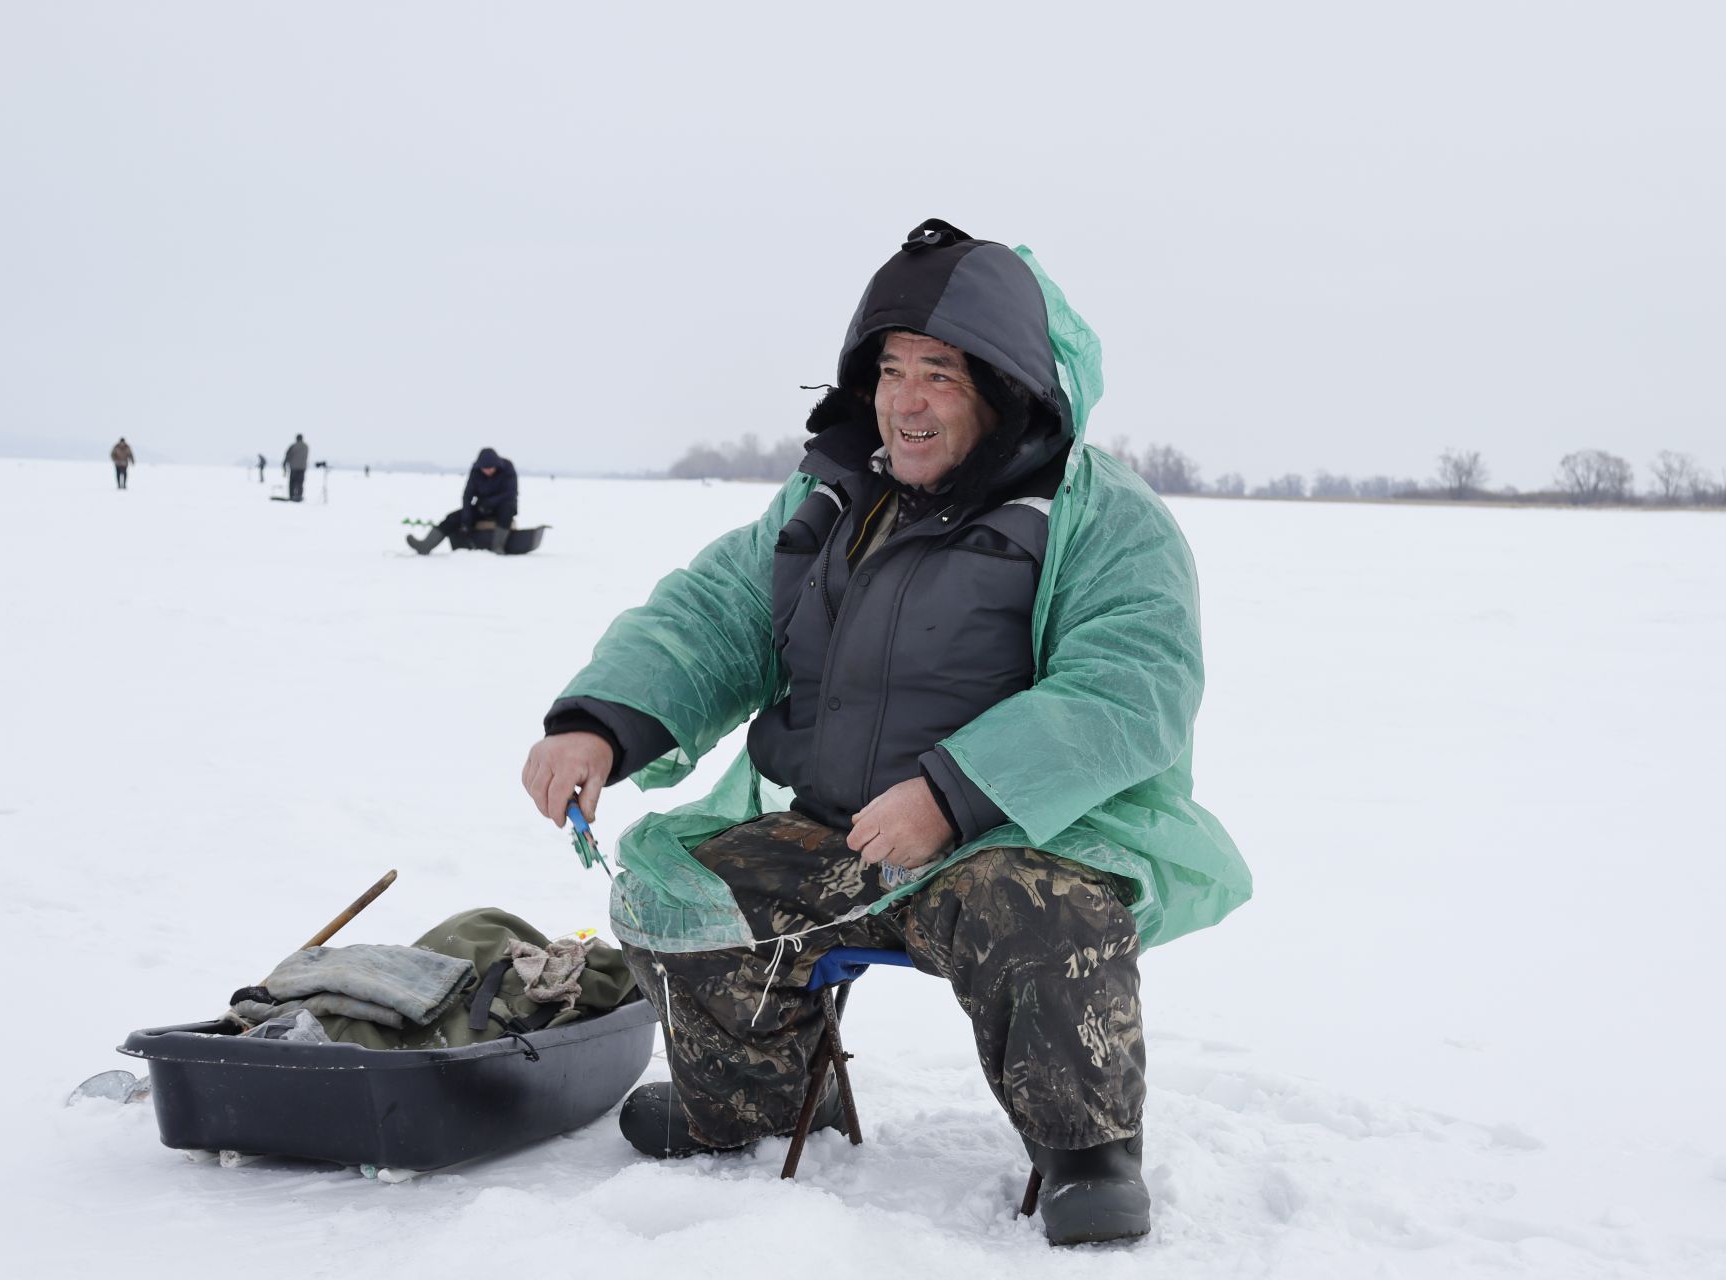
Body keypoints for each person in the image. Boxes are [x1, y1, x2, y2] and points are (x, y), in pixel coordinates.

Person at [519, 220, 1248, 1246]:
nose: (905, 401)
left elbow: (1131, 687)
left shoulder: (1103, 516)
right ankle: (756, 1094)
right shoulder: (834, 494)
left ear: (1007, 387)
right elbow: (717, 616)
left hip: (1013, 836)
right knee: (670, 890)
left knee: (1043, 909)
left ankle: (1088, 1146)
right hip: (835, 835)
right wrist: (599, 723)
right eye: (892, 371)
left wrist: (950, 795)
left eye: (940, 375)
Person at [405, 449, 519, 554]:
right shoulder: (476, 471)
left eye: (491, 468)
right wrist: (466, 520)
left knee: (507, 509)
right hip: (482, 508)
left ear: (497, 465)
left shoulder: (507, 467)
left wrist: (490, 503)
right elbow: (468, 496)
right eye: (485, 468)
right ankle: (425, 546)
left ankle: (498, 548)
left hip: (503, 506)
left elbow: (511, 493)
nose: (488, 471)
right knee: (452, 518)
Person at [284, 434, 309, 502]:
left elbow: (288, 455)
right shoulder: (306, 446)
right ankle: (299, 496)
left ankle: (292, 496)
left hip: (294, 467)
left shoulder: (293, 446)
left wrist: (285, 464)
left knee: (292, 482)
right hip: (302, 468)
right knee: (300, 483)